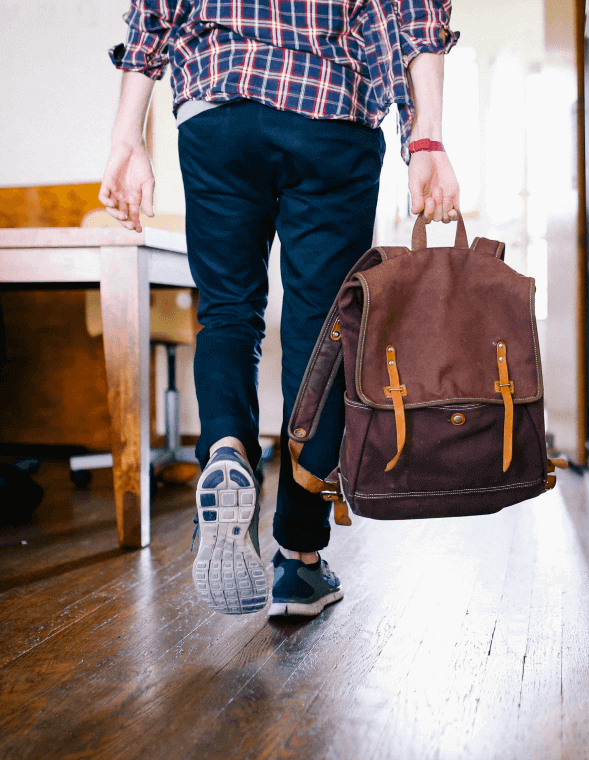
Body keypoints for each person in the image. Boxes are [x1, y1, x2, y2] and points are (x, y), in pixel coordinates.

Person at [99, 0, 460, 617]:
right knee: (321, 336)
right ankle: (300, 560)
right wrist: (424, 137)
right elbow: (416, 14)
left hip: (218, 110)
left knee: (228, 313)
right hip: (331, 112)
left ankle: (225, 449)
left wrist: (126, 135)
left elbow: (154, 9)